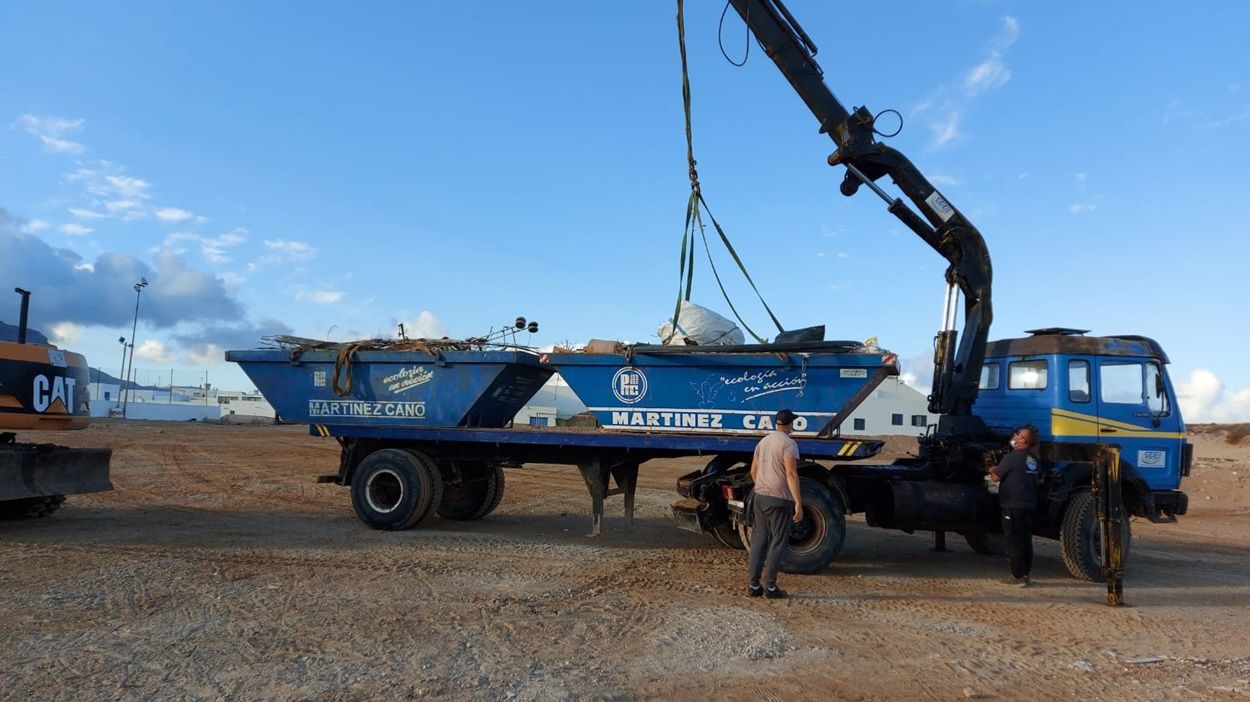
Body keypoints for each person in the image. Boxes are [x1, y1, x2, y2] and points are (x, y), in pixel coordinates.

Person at [746, 408, 804, 599]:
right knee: (777, 541)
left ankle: (753, 586)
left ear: (776, 423)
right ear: (790, 424)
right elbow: (791, 474)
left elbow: (753, 472)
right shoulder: (789, 444)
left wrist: (763, 487)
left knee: (759, 539)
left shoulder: (763, 442)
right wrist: (798, 502)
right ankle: (770, 587)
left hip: (760, 496)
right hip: (780, 499)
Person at [989, 424, 1041, 587]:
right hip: (1029, 504)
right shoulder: (1033, 459)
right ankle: (1026, 574)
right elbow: (1039, 479)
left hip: (1013, 504)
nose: (1014, 436)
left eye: (1018, 434)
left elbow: (996, 477)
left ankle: (1017, 576)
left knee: (1014, 540)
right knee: (1025, 540)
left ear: (1023, 440)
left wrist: (992, 469)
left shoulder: (1011, 458)